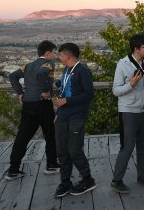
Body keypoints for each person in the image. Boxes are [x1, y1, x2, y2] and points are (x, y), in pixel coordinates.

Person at [6, 40, 60, 180]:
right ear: (48, 53)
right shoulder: (48, 64)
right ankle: (52, 164)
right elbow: (42, 73)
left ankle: (13, 169)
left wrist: (20, 93)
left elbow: (12, 76)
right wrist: (46, 90)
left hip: (28, 104)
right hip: (43, 104)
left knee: (22, 136)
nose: (55, 56)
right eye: (54, 53)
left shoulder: (28, 66)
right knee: (50, 134)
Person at [110, 34, 144, 193]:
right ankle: (116, 180)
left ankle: (142, 176)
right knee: (127, 147)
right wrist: (131, 84)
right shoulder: (122, 65)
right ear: (137, 49)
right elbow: (116, 90)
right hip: (128, 112)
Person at [53, 43, 96, 198]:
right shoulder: (66, 70)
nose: (59, 58)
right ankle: (65, 182)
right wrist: (59, 111)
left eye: (60, 55)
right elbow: (65, 91)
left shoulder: (82, 71)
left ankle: (87, 179)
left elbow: (89, 94)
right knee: (62, 151)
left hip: (77, 115)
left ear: (67, 55)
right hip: (63, 115)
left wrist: (66, 102)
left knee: (74, 150)